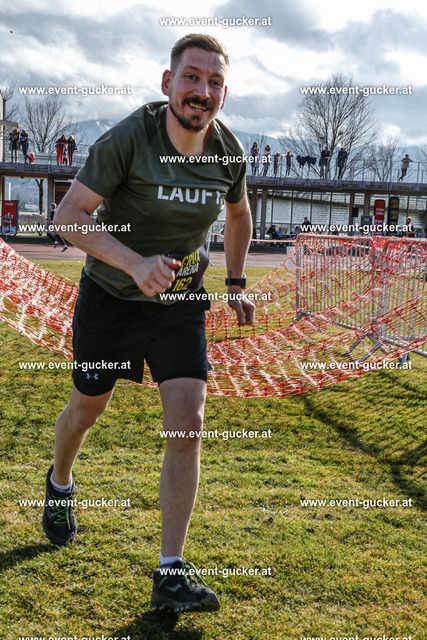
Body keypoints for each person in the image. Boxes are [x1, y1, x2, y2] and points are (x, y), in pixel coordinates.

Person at [43, 33, 255, 614]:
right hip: (112, 298)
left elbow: (239, 214)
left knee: (189, 422)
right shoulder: (129, 138)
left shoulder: (229, 153)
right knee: (86, 410)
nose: (202, 91)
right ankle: (59, 482)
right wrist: (135, 264)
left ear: (223, 94)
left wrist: (236, 282)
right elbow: (68, 216)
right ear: (168, 83)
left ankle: (170, 572)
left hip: (179, 303)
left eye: (214, 82)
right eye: (192, 77)